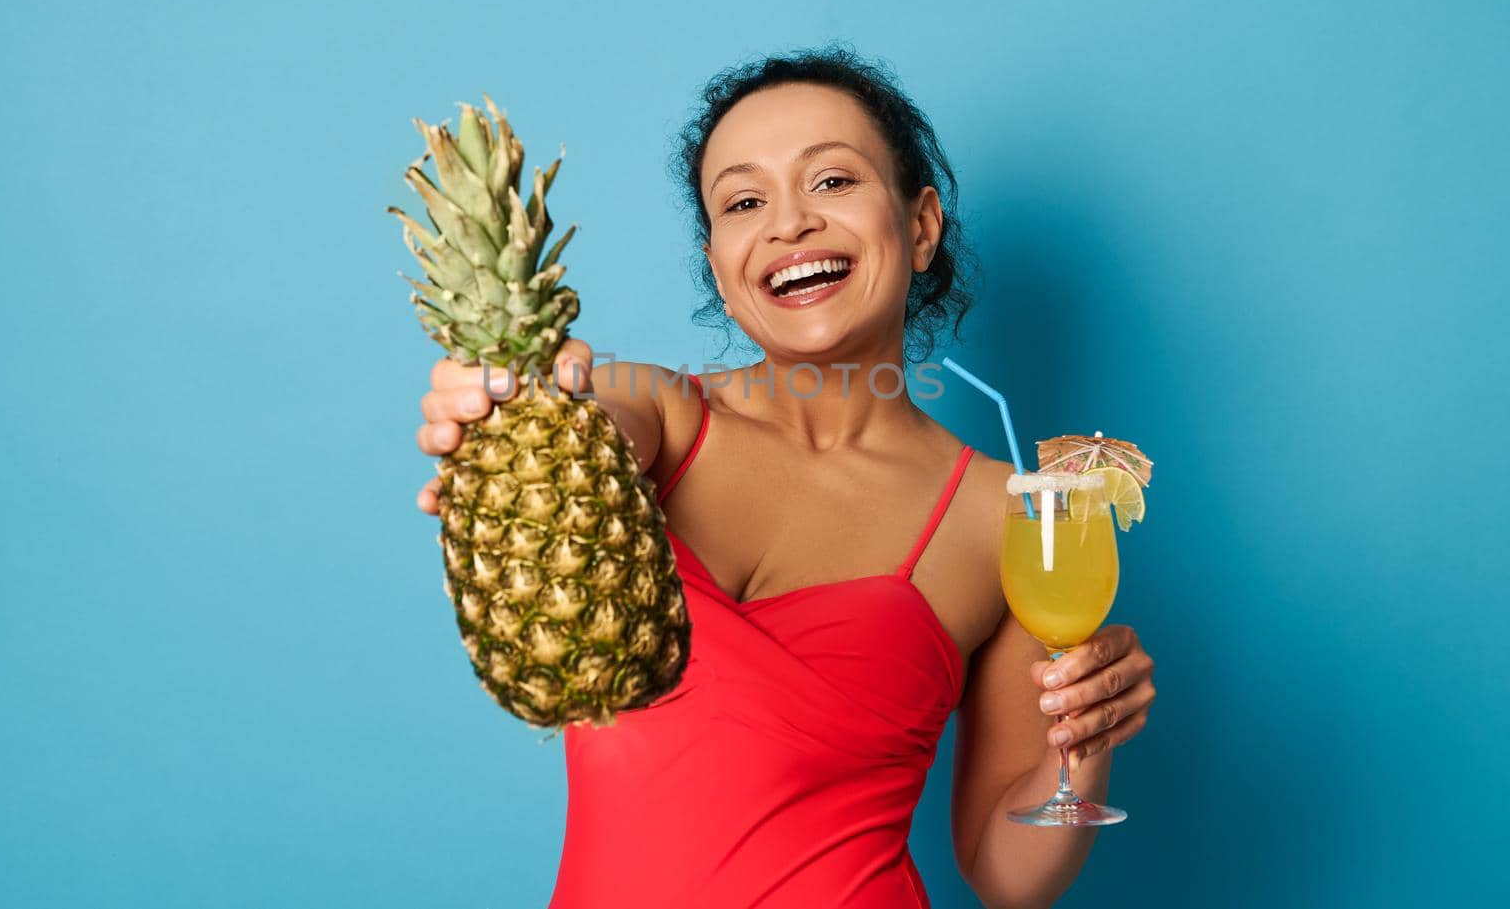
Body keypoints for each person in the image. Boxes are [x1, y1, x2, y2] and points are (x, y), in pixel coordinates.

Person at [413, 47, 1156, 908]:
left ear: (919, 227)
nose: (789, 222)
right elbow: (582, 419)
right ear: (723, 268)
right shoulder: (655, 414)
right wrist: (503, 409)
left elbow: (1007, 872)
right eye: (744, 201)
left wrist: (1085, 735)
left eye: (833, 181)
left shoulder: (1007, 512)